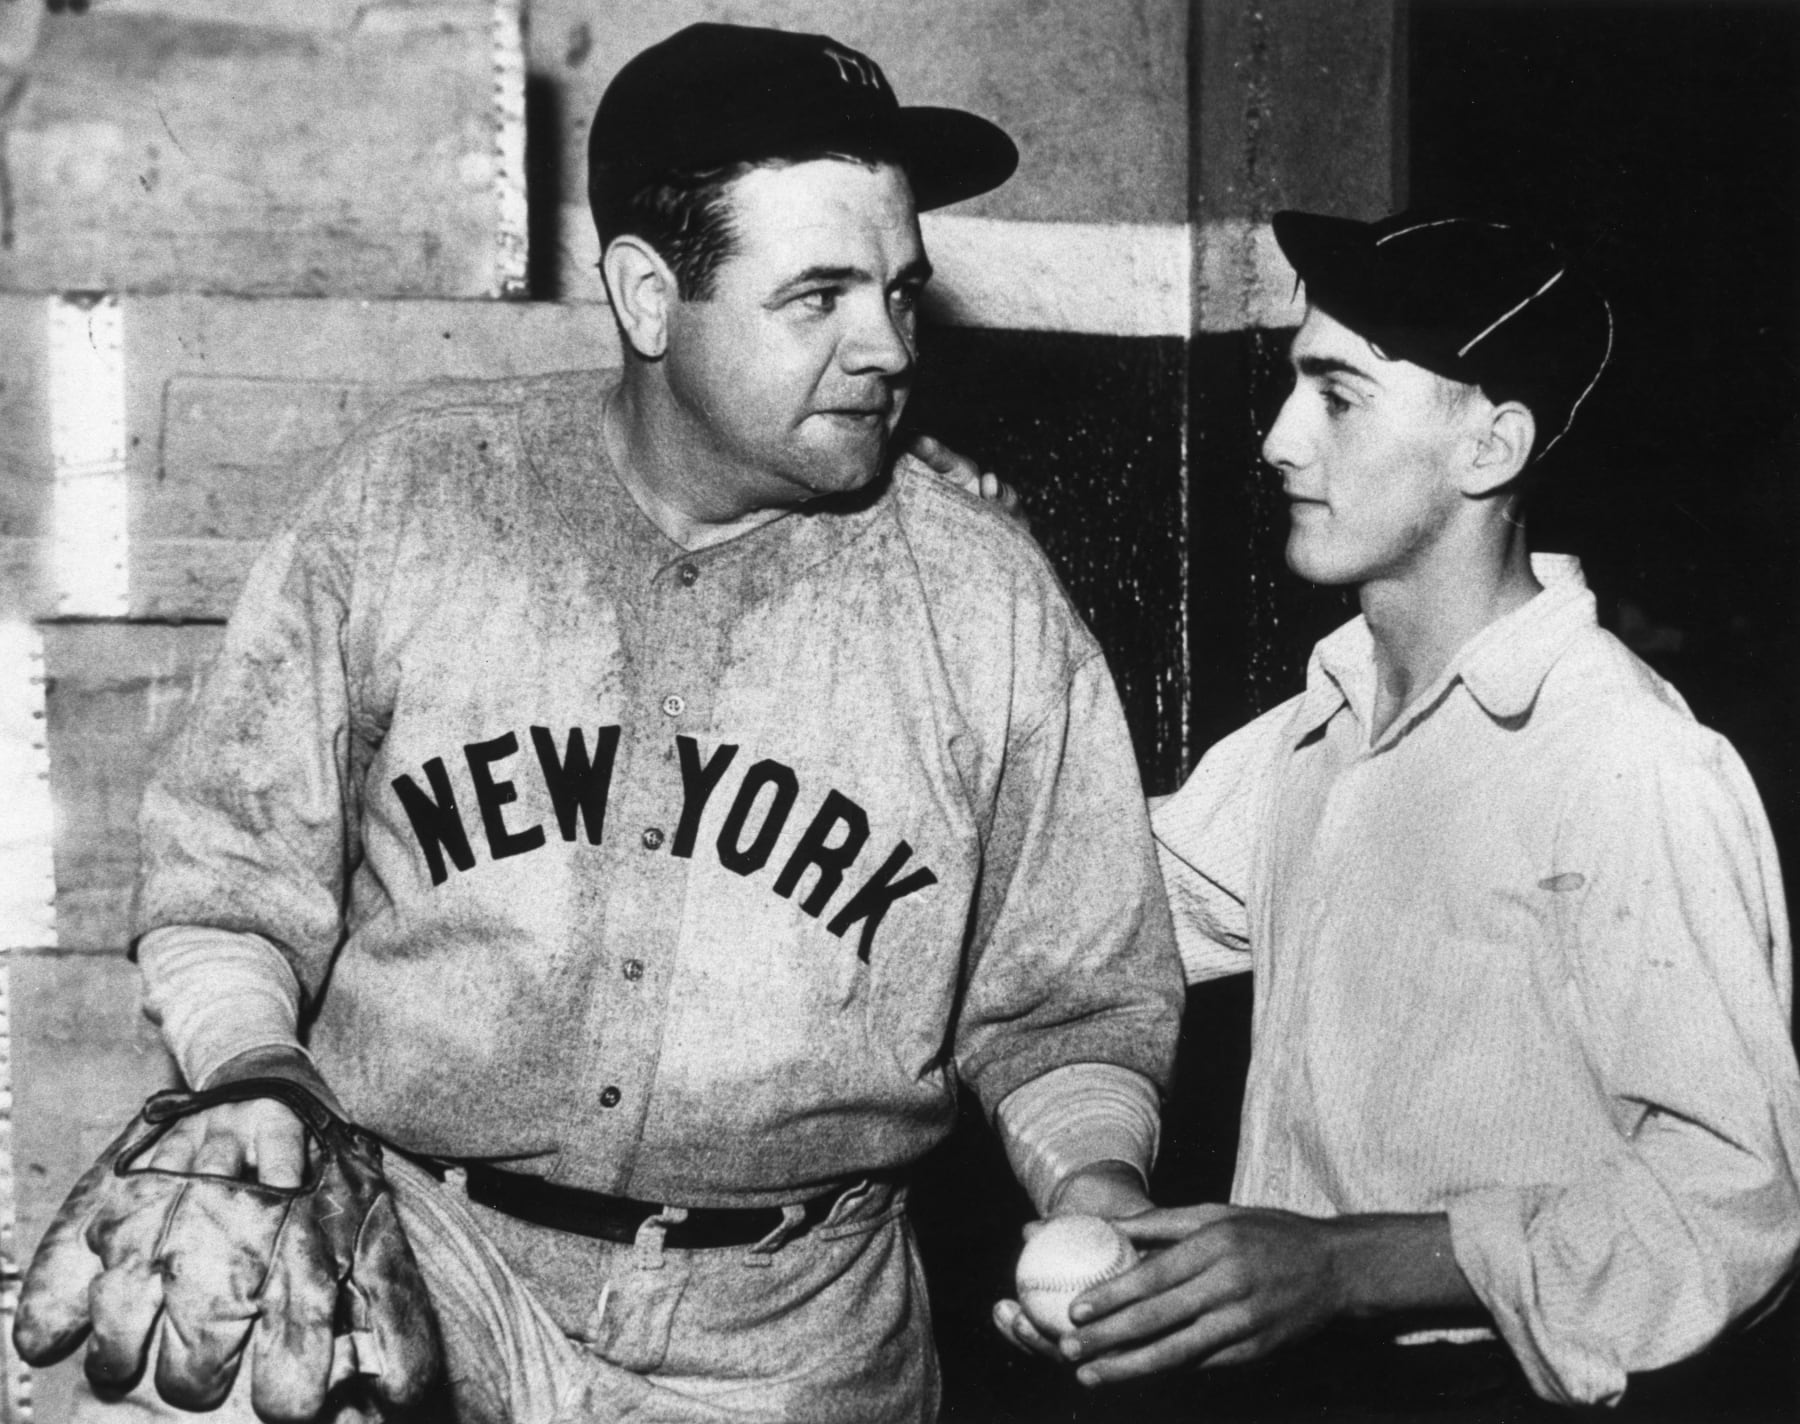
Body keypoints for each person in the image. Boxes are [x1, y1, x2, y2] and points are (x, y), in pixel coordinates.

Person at [111, 22, 1184, 1424]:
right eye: (818, 296)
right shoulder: (412, 502)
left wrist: (1093, 1182)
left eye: (901, 292)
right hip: (413, 1254)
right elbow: (225, 887)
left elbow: (1074, 1008)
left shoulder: (988, 602)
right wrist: (255, 1076)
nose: (886, 347)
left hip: (790, 1332)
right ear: (646, 294)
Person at [990, 210, 1800, 1416]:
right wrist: (997, 588)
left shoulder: (1629, 762)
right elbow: (1088, 908)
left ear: (1491, 446)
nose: (1276, 439)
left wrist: (1343, 1266)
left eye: (1340, 395)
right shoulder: (1323, 725)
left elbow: (1736, 1202)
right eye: (1289, 387)